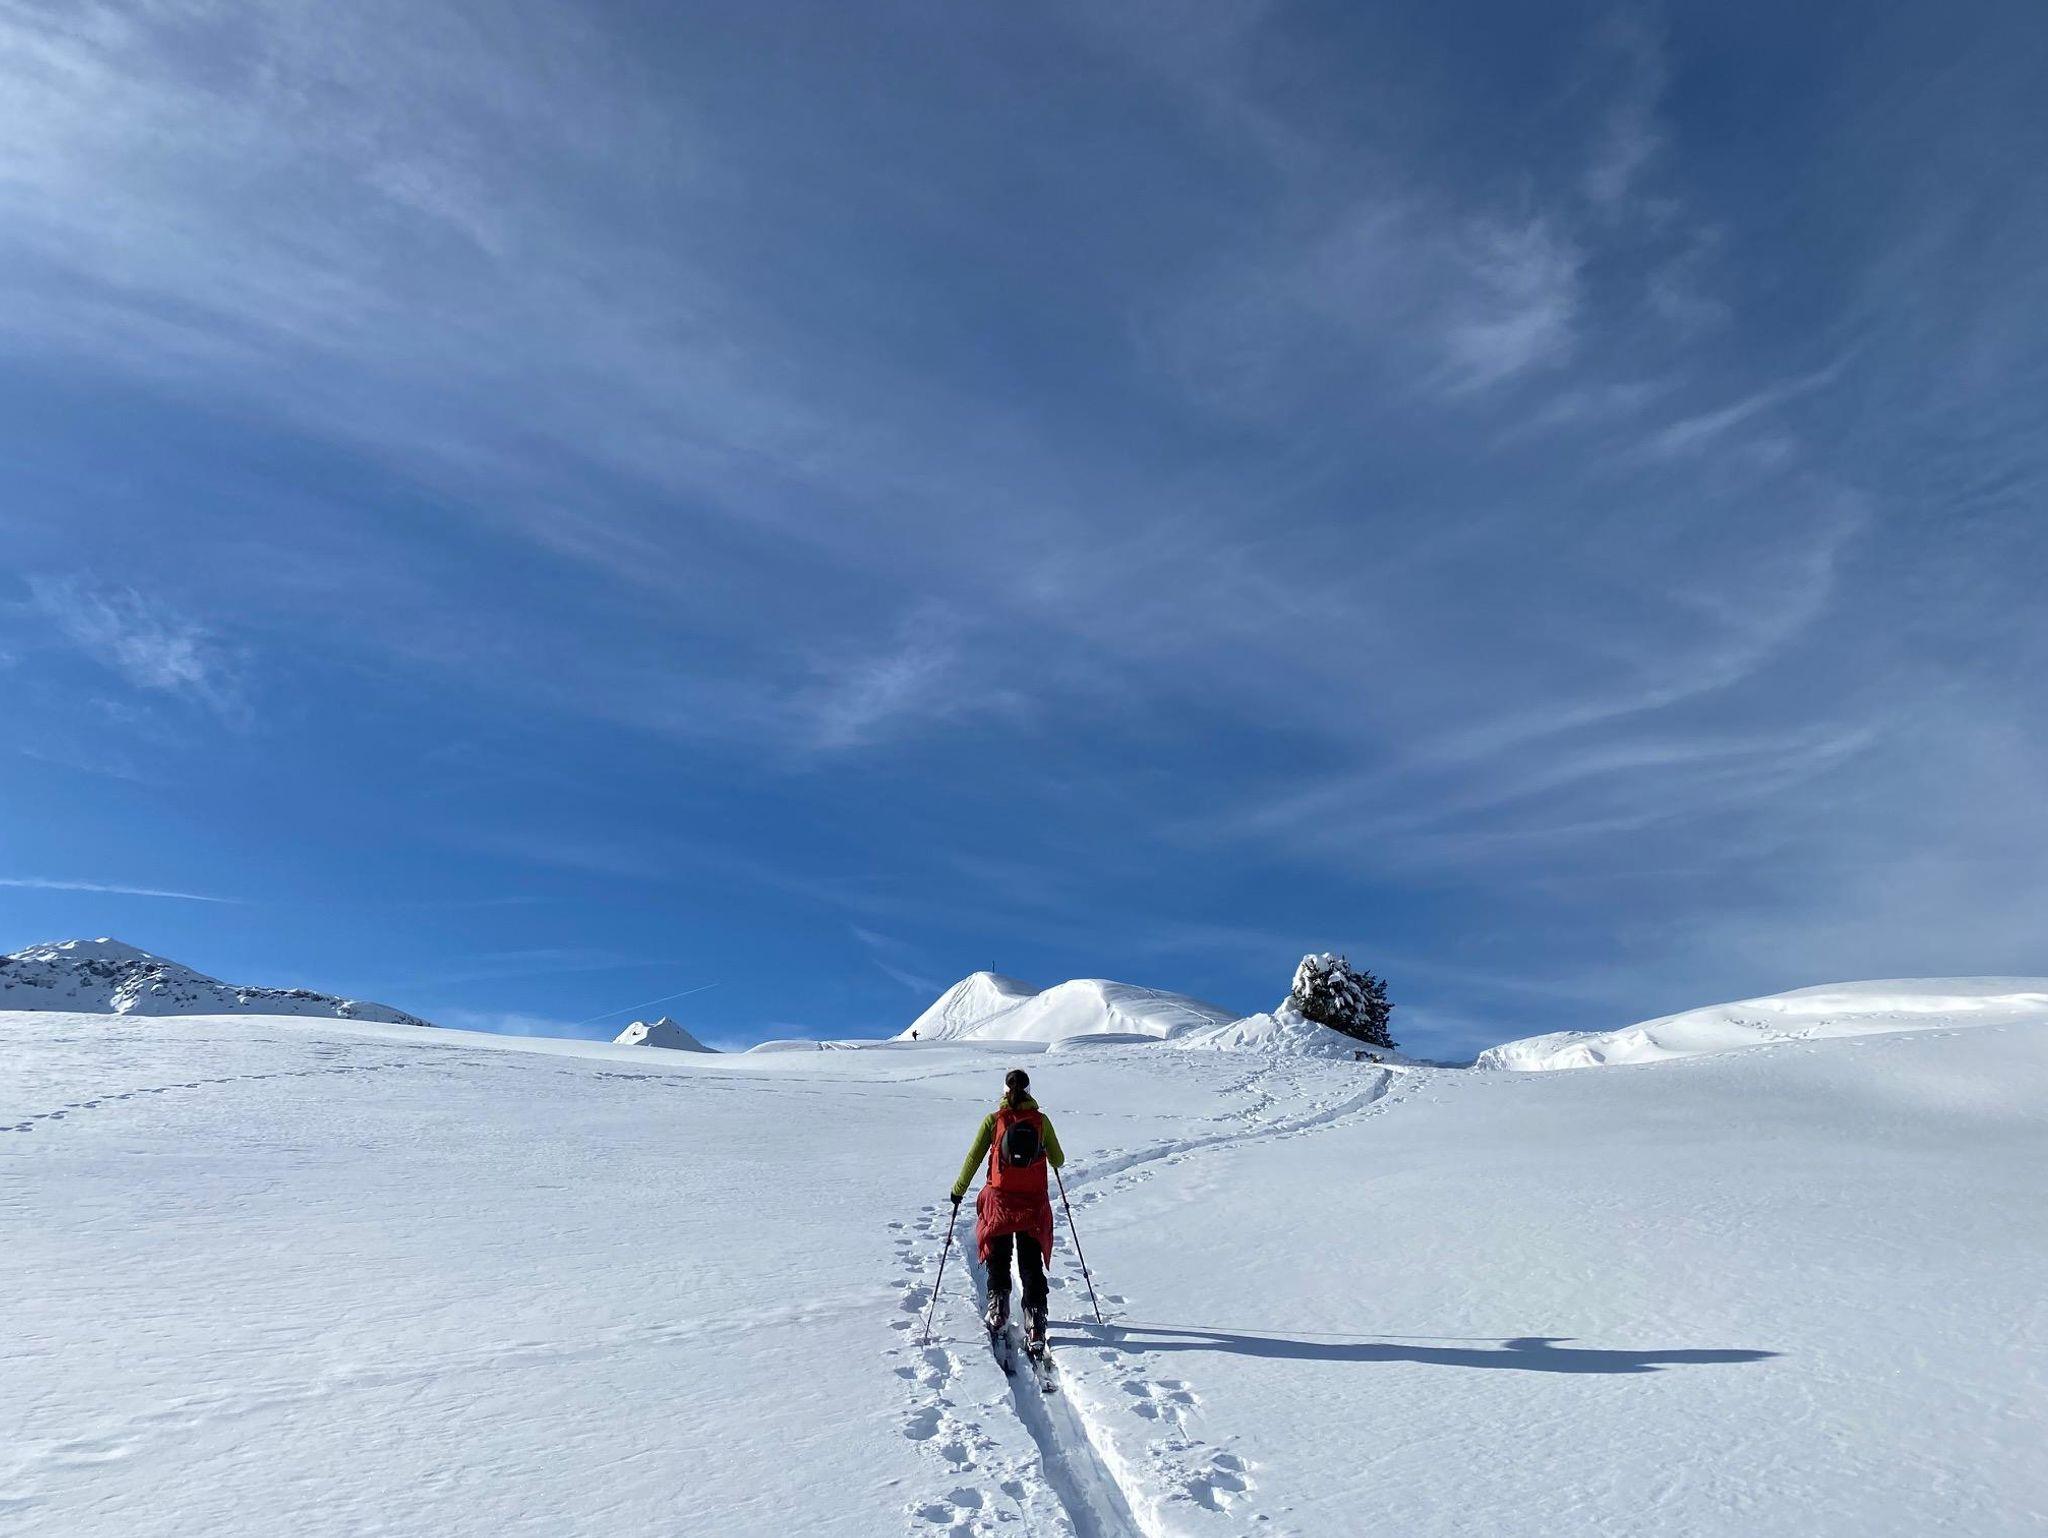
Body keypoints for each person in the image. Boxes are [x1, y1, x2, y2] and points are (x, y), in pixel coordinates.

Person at [950, 1067, 1065, 1350]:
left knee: (999, 1257)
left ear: (1004, 1091)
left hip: (999, 1202)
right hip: (1033, 1205)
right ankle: (1035, 1321)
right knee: (1030, 1263)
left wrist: (958, 1190)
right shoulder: (1041, 1121)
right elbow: (1058, 1160)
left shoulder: (993, 1120)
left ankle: (998, 1309)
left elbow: (974, 1157)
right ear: (1029, 1092)